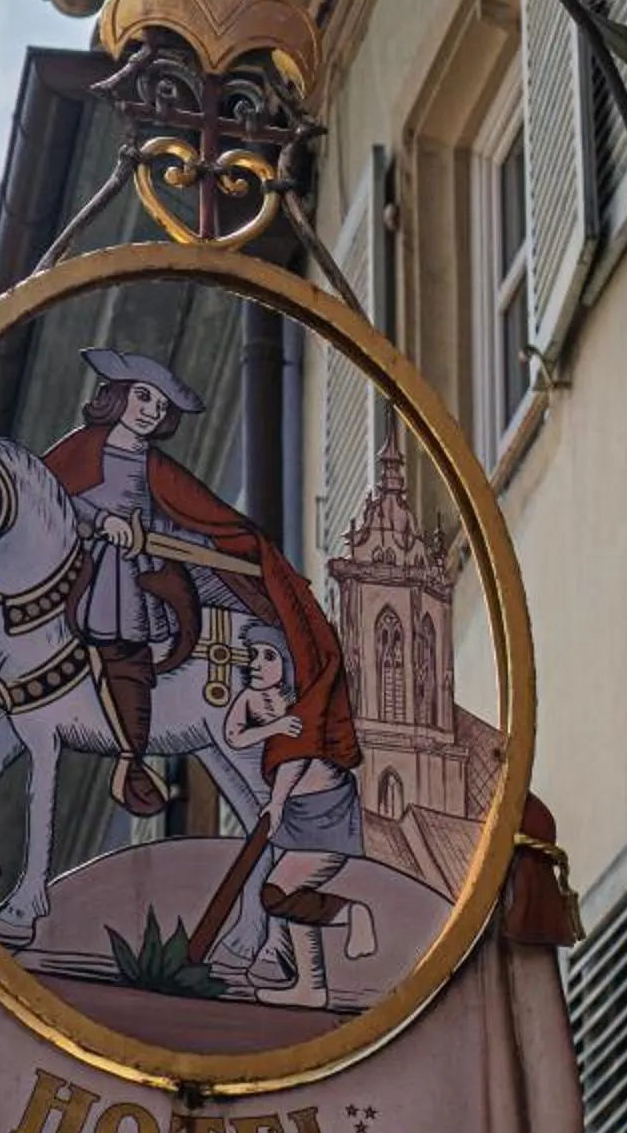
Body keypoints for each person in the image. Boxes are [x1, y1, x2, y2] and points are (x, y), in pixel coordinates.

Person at [41, 344, 360, 822]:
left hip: (149, 566)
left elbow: (192, 516)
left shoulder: (155, 466)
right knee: (116, 621)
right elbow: (48, 500)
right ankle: (130, 756)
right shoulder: (79, 450)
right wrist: (101, 519)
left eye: (160, 406)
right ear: (121, 396)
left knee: (220, 604)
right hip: (94, 570)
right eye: (144, 398)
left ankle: (143, 750)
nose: (151, 411)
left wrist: (208, 546)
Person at [224, 628, 377, 1002]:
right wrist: (273, 727)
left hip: (326, 809)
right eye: (254, 655)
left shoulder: (306, 700)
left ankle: (353, 914)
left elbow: (297, 757)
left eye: (269, 656)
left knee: (277, 893)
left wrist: (276, 802)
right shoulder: (252, 700)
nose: (257, 664)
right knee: (287, 895)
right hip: (296, 812)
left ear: (290, 660)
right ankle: (311, 986)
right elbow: (233, 736)